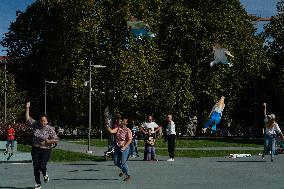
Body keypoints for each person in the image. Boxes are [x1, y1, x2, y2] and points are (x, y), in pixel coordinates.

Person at [25, 102, 59, 189]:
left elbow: (56, 139)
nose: (42, 122)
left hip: (45, 150)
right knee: (36, 167)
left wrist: (47, 142)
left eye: (44, 120)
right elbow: (28, 119)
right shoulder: (36, 124)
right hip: (35, 149)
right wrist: (27, 107)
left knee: (42, 166)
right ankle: (38, 183)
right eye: (41, 120)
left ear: (47, 121)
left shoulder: (50, 129)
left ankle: (45, 173)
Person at [105, 114, 132, 181]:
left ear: (126, 123)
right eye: (121, 120)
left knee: (123, 162)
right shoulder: (118, 129)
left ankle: (128, 175)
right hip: (117, 147)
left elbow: (130, 140)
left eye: (123, 121)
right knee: (116, 162)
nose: (121, 121)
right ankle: (123, 170)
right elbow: (111, 131)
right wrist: (107, 124)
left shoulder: (128, 130)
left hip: (124, 148)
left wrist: (125, 147)